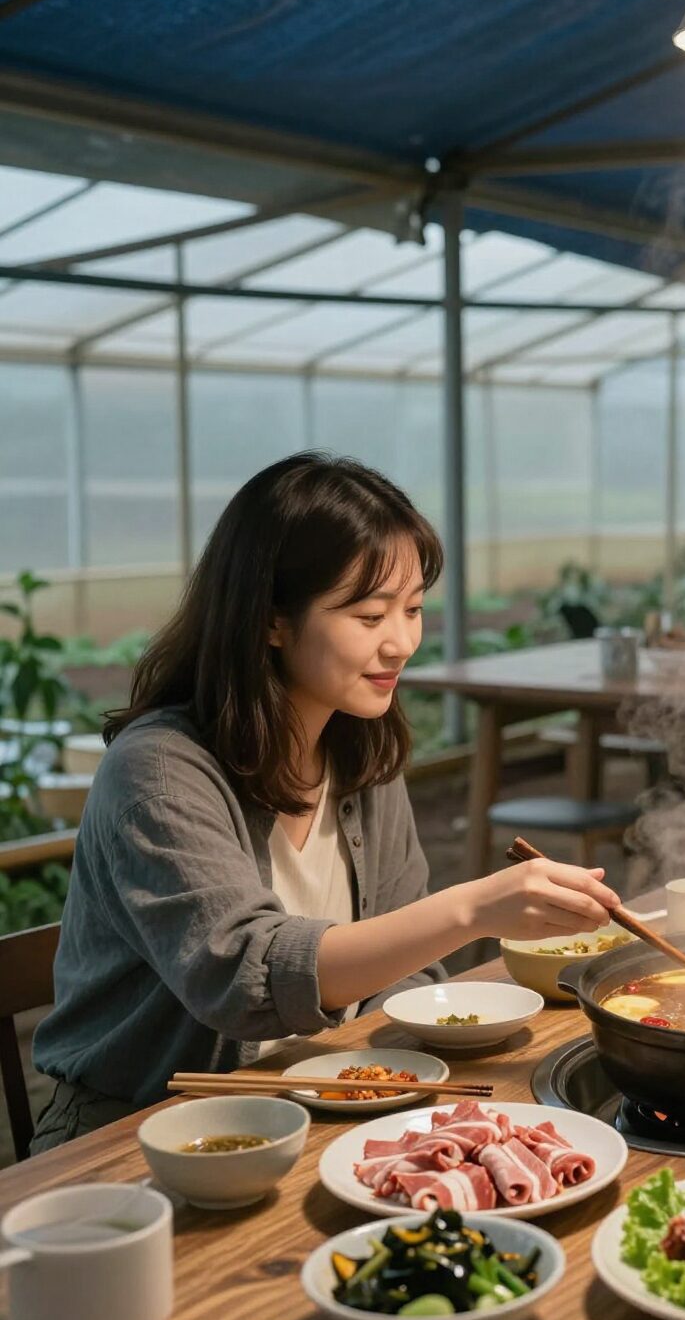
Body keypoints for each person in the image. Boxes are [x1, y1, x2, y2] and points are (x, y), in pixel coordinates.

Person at [31, 453, 619, 1151]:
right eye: (370, 614)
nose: (401, 642)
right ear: (273, 620)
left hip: (318, 1106)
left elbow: (409, 966)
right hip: (139, 1132)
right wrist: (474, 909)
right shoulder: (158, 772)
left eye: (414, 609)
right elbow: (244, 980)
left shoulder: (361, 751)